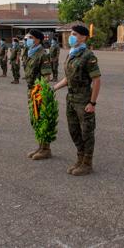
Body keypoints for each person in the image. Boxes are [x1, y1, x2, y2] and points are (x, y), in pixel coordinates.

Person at [53, 25, 101, 175]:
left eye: (74, 34)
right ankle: (80, 158)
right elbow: (68, 78)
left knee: (86, 132)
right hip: (71, 99)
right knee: (74, 130)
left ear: (83, 37)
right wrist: (54, 88)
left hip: (84, 99)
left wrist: (92, 103)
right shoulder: (72, 54)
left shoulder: (88, 56)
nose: (70, 36)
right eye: (70, 34)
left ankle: (87, 163)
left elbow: (97, 80)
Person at [24, 30, 53, 160]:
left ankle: (46, 149)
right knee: (35, 119)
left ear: (37, 40)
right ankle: (40, 146)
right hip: (31, 90)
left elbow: (47, 76)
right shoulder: (31, 53)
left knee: (41, 119)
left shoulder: (42, 54)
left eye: (30, 37)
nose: (28, 39)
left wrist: (39, 91)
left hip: (38, 91)